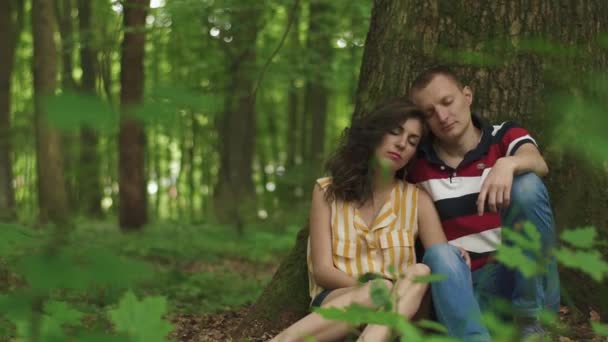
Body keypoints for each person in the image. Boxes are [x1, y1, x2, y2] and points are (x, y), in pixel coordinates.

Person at [270, 99, 490, 342]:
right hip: (341, 304)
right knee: (378, 289)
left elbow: (438, 267)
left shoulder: (418, 200)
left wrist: (453, 255)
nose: (401, 144)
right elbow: (322, 271)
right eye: (394, 132)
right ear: (375, 135)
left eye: (412, 141)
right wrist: (376, 291)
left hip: (403, 312)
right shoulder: (326, 191)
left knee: (420, 271)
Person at [408, 65, 560, 338]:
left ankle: (528, 325)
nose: (442, 116)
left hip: (525, 283)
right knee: (438, 254)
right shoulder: (417, 166)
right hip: (467, 292)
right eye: (430, 113)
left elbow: (538, 162)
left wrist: (507, 163)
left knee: (527, 185)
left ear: (467, 95)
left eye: (447, 101)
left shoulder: (503, 136)